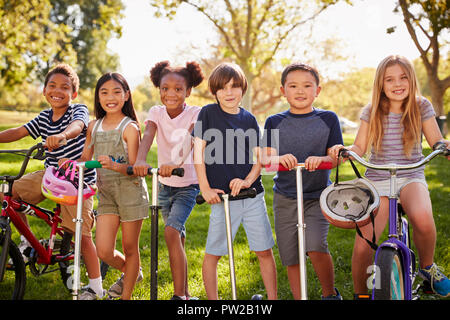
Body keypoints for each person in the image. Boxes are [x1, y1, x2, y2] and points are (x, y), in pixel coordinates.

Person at [329, 55, 450, 298]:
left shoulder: (421, 105)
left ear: (411, 80)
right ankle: (360, 294)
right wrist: (347, 151)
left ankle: (427, 269)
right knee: (364, 242)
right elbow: (360, 147)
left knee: (423, 219)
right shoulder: (371, 110)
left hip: (411, 175)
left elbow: (435, 139)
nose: (398, 83)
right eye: (390, 79)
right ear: (381, 84)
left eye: (403, 77)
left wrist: (443, 146)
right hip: (378, 178)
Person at [0, 63, 103, 299]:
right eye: (52, 86)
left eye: (65, 87)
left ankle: (96, 285)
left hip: (77, 180)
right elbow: (19, 131)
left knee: (81, 234)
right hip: (51, 175)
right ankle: (26, 244)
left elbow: (78, 127)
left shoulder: (78, 110)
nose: (57, 91)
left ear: (73, 93)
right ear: (45, 90)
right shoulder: (44, 116)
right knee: (8, 194)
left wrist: (63, 135)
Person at [192, 62, 277, 300]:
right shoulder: (208, 114)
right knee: (213, 253)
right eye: (223, 88)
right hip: (221, 198)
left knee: (263, 250)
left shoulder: (249, 119)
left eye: (235, 86)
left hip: (252, 197)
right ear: (215, 91)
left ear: (243, 89)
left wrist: (249, 180)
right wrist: (205, 188)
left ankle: (273, 299)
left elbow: (259, 158)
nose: (229, 93)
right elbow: (197, 152)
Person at [261, 62, 343, 300]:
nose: (300, 91)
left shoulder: (328, 119)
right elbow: (266, 160)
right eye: (293, 85)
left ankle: (330, 294)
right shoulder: (274, 121)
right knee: (291, 254)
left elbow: (336, 157)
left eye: (307, 85)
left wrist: (323, 159)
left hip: (317, 196)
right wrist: (279, 158)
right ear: (282, 90)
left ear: (317, 90)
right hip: (285, 197)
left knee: (315, 245)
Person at [133, 61, 204, 300]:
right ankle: (185, 293)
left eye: (177, 89)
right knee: (178, 238)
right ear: (159, 88)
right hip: (164, 187)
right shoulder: (156, 112)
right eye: (165, 88)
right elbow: (148, 136)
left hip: (188, 186)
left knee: (171, 233)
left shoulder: (195, 113)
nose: (170, 94)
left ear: (188, 91)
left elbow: (190, 139)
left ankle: (178, 296)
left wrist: (175, 162)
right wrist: (140, 160)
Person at [76, 72, 149, 300]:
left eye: (117, 92)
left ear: (126, 95)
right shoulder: (93, 126)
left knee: (129, 247)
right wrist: (70, 163)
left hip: (131, 192)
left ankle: (125, 296)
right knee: (104, 250)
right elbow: (85, 157)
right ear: (98, 97)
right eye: (104, 92)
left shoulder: (130, 128)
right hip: (106, 193)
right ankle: (132, 272)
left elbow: (134, 166)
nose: (111, 97)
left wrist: (115, 166)